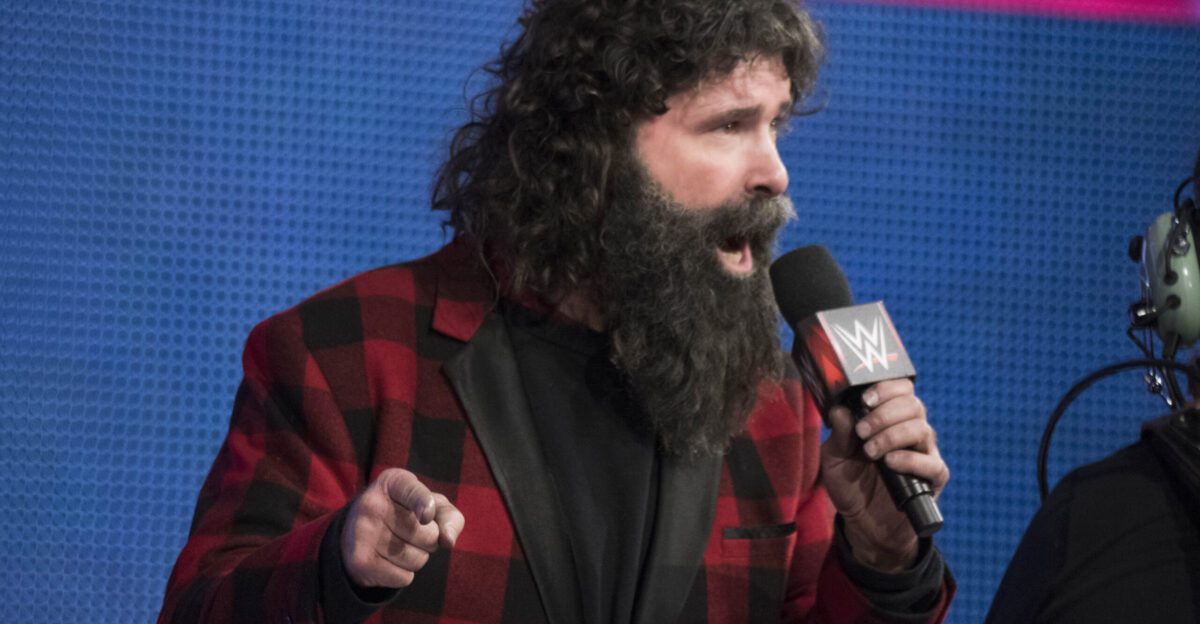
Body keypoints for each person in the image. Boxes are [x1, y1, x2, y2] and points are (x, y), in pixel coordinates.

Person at [158, 1, 954, 622]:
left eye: (775, 125)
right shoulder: (346, 354)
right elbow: (199, 610)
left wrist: (885, 559)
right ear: (597, 148)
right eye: (730, 125)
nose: (774, 172)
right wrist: (336, 561)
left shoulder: (774, 405)